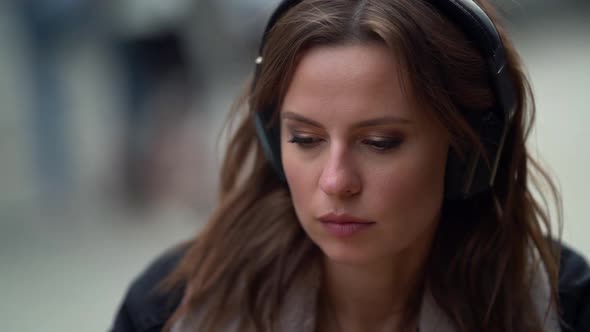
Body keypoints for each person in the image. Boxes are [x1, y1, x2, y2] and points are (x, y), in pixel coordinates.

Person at [111, 0, 590, 331]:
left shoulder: (563, 308)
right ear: (273, 142)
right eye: (305, 138)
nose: (336, 181)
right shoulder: (170, 310)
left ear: (470, 149)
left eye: (380, 142)